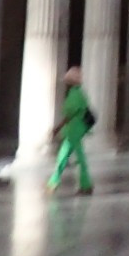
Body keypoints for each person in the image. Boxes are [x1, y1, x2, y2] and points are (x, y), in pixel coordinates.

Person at [49, 66, 94, 195]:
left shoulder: (74, 94)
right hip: (75, 129)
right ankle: (53, 183)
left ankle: (86, 185)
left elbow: (69, 115)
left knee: (79, 157)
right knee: (63, 157)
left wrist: (57, 128)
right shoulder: (80, 93)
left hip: (74, 129)